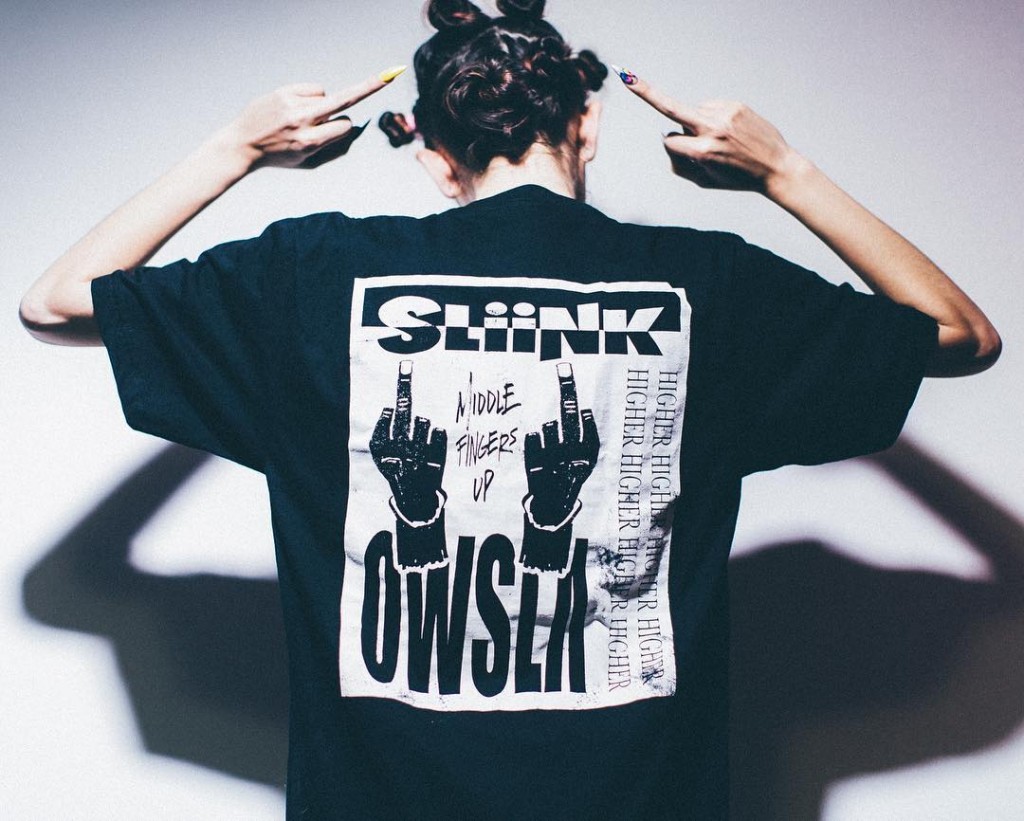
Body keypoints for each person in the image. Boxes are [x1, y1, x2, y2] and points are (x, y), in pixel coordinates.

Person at [19, 0, 1000, 818]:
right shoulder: (709, 287)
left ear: (432, 157)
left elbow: (55, 304)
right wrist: (784, 171)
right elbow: (960, 334)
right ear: (590, 125)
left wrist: (236, 148)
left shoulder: (309, 277)